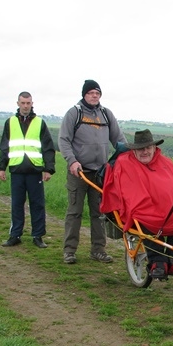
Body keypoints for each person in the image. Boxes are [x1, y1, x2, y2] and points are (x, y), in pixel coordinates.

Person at [100, 129, 173, 279]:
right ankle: (158, 263)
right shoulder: (125, 163)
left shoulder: (165, 162)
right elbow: (132, 195)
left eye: (148, 148)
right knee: (148, 218)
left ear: (155, 148)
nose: (145, 152)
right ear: (134, 150)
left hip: (167, 209)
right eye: (141, 149)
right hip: (141, 209)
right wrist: (155, 211)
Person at [58, 79, 127, 264]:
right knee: (75, 212)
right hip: (78, 172)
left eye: (97, 93)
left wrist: (128, 156)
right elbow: (64, 140)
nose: (94, 96)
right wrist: (72, 161)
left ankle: (98, 250)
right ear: (84, 95)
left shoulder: (106, 114)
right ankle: (69, 250)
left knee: (99, 213)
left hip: (100, 173)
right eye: (91, 93)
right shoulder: (74, 113)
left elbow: (118, 139)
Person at [0, 92, 56, 248]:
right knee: (17, 204)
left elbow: (48, 147)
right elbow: (4, 146)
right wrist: (1, 168)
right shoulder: (10, 122)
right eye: (23, 103)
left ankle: (38, 236)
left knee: (37, 204)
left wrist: (48, 169)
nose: (25, 106)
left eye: (28, 103)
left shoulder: (39, 123)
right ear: (18, 103)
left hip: (34, 170)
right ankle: (15, 234)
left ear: (32, 103)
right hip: (16, 169)